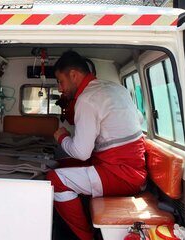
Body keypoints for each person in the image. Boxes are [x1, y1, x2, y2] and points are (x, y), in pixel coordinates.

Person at [47, 50, 146, 240]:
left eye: (61, 81)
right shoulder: (116, 88)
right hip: (134, 170)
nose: (60, 88)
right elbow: (139, 119)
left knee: (55, 179)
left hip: (122, 175)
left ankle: (85, 237)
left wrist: (62, 137)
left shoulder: (87, 99)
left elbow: (81, 153)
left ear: (74, 75)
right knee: (64, 165)